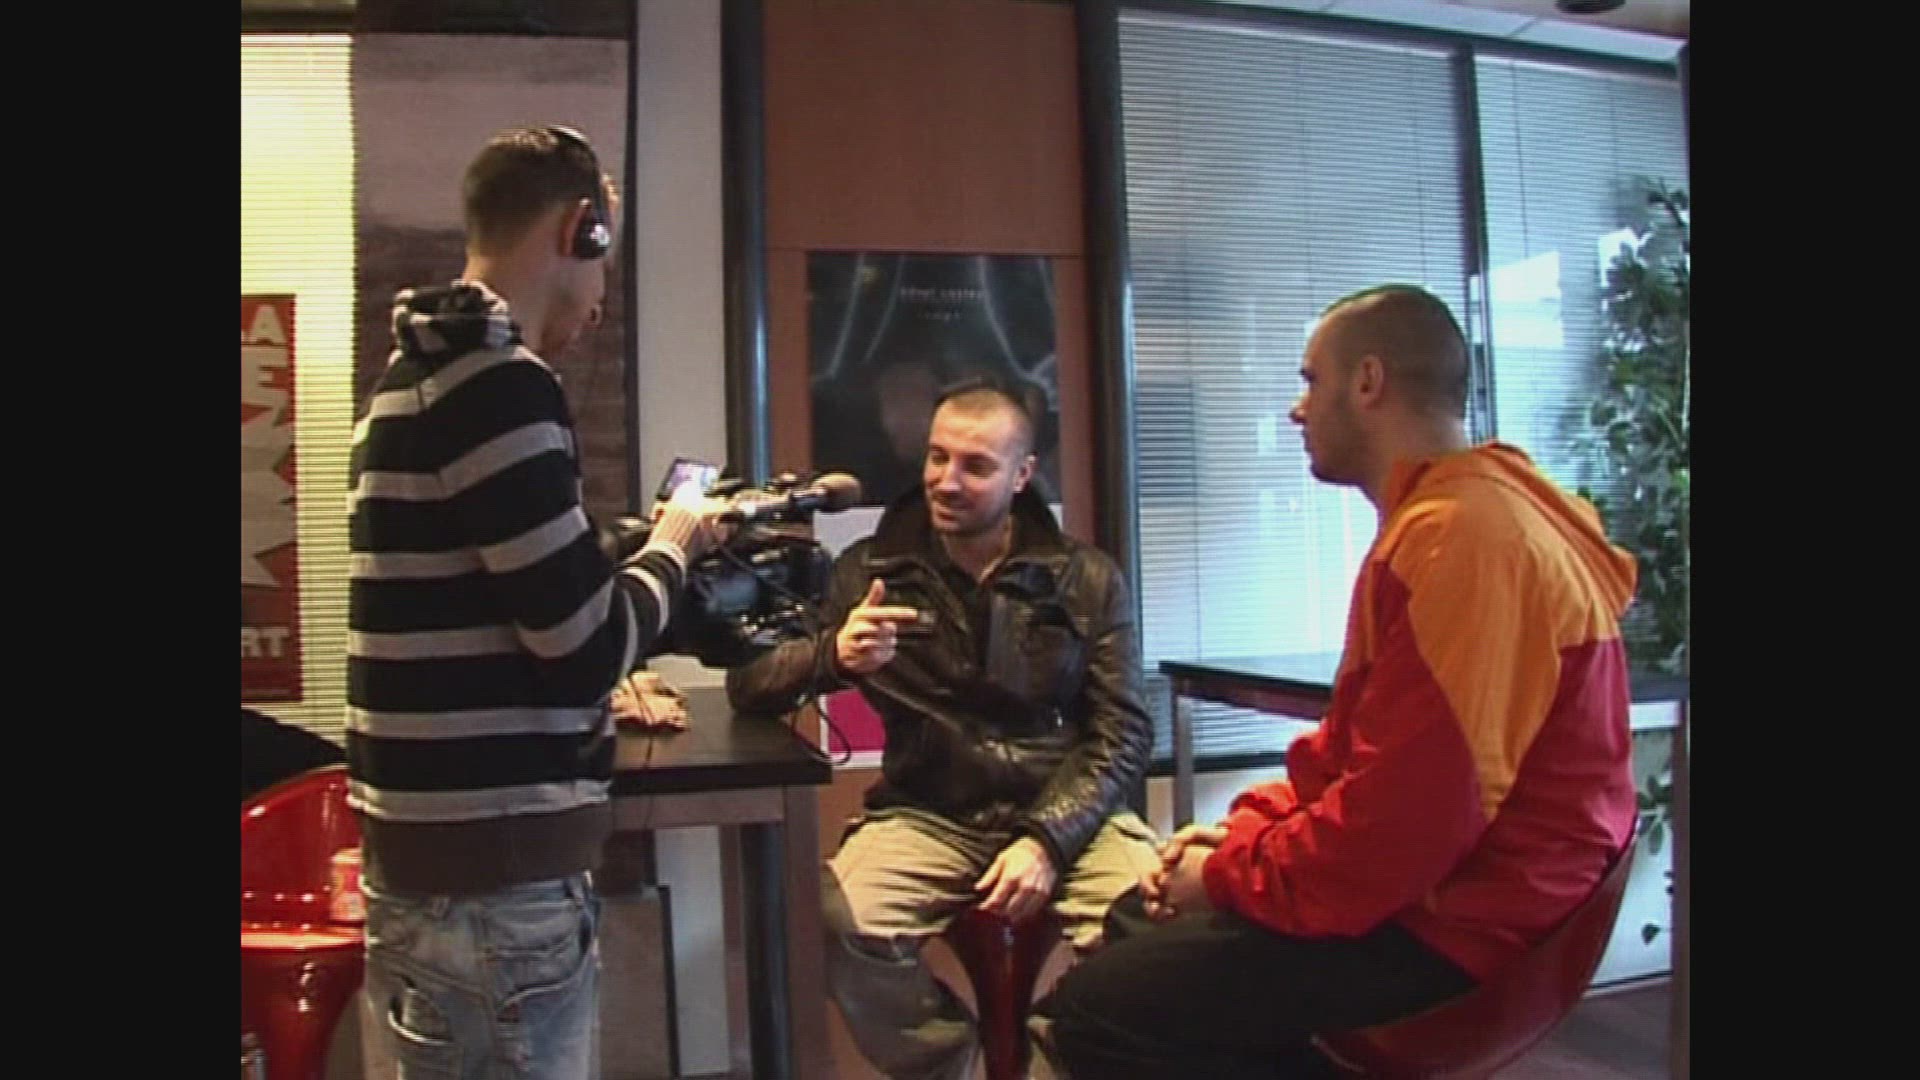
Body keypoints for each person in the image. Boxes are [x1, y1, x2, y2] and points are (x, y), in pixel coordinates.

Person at [1031, 285, 1641, 1079]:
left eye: (1310, 380)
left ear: (1368, 382)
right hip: (1445, 883)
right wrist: (1241, 838)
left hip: (1467, 921)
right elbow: (1357, 758)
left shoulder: (1465, 540)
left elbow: (1403, 829)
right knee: (1131, 921)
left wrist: (1229, 875)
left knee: (1096, 1015)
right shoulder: (1453, 516)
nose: (1296, 408)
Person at [345, 125, 728, 1080]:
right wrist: (676, 547)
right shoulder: (504, 388)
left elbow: (503, 582)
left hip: (433, 884)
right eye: (605, 261)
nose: (600, 303)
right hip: (499, 895)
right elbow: (586, 651)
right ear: (580, 229)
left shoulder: (410, 381)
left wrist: (619, 547)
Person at [729, 378, 1159, 1080]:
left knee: (1161, 925)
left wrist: (1047, 840)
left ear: (1022, 475)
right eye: (937, 458)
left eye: (975, 466)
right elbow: (749, 686)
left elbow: (1125, 732)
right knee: (829, 921)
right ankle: (956, 1063)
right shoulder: (867, 569)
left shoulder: (1087, 578)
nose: (946, 481)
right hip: (930, 811)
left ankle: (1052, 1058)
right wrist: (833, 655)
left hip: (1070, 812)